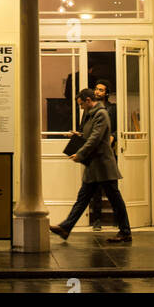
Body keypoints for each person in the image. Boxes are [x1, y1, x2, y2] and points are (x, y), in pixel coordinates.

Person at [50, 88, 132, 244]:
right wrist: (78, 135)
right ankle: (66, 227)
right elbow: (89, 135)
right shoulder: (90, 115)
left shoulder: (101, 114)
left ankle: (125, 232)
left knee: (115, 199)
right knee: (83, 198)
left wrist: (80, 154)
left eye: (81, 104)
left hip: (103, 165)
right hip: (94, 166)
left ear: (88, 101)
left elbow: (95, 138)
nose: (80, 107)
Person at [88, 80, 118, 232]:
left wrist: (112, 138)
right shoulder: (91, 109)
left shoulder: (113, 109)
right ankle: (97, 219)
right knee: (96, 188)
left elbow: (117, 127)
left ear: (106, 93)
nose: (97, 92)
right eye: (96, 89)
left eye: (101, 90)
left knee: (112, 186)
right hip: (95, 150)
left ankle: (117, 219)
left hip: (109, 150)